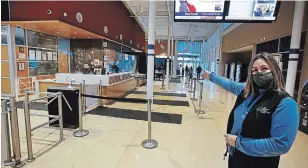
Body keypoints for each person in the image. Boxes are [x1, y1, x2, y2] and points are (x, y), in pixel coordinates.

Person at [201, 53, 299, 168]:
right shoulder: (247, 91)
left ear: (274, 70)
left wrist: (239, 143)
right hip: (236, 156)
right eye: (254, 70)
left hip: (259, 162)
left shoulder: (285, 103)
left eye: (264, 68)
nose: (259, 73)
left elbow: (280, 144)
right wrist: (210, 75)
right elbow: (229, 84)